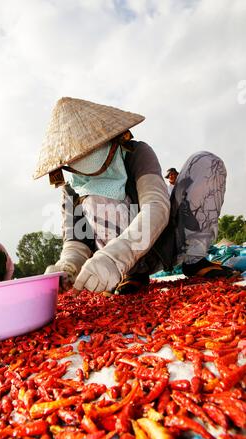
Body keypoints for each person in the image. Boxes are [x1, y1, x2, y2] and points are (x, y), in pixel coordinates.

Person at [34, 97, 237, 295]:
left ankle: (194, 260)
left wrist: (118, 256)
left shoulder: (136, 153)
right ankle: (134, 273)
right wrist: (67, 267)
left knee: (205, 162)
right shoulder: (72, 188)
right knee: (96, 200)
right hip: (125, 263)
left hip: (167, 241)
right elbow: (77, 240)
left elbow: (156, 206)